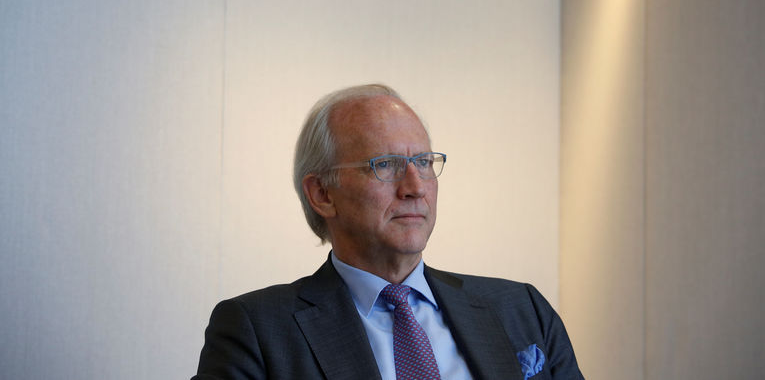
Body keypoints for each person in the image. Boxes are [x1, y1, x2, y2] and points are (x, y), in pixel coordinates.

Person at [193, 84, 583, 380]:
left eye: (424, 162)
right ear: (323, 194)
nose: (414, 186)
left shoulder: (521, 309)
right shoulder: (257, 331)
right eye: (387, 165)